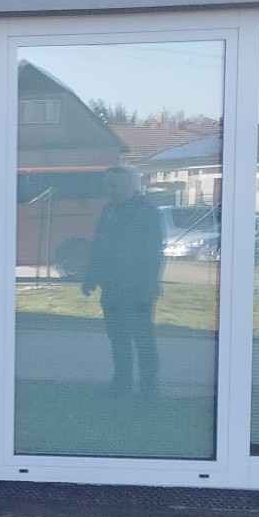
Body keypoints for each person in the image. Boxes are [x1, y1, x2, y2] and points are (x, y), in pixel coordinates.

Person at [81, 166, 165, 395]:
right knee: (118, 338)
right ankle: (121, 384)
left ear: (130, 185)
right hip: (112, 288)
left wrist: (149, 283)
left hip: (139, 289)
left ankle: (149, 389)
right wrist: (90, 278)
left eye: (114, 183)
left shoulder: (146, 212)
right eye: (107, 183)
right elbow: (98, 247)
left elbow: (153, 251)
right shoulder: (109, 211)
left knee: (143, 339)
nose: (109, 188)